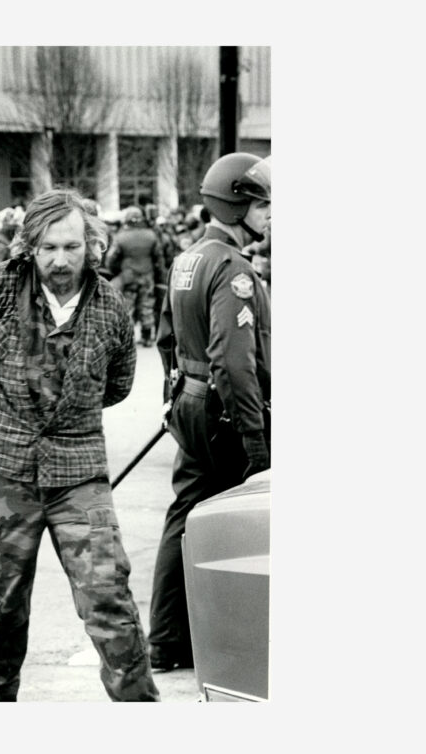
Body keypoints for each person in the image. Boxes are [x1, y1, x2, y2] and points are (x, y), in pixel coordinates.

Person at [0, 188, 160, 702]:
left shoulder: (111, 306)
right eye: (48, 248)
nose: (60, 259)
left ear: (91, 245)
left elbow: (119, 384)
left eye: (71, 246)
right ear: (29, 246)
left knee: (108, 597)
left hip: (78, 471)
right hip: (6, 471)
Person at [148, 153, 271, 671]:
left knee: (185, 518)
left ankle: (165, 640)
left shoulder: (187, 258)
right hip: (224, 411)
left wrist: (175, 398)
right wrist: (256, 441)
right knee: (238, 526)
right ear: (237, 202)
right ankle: (231, 648)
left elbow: (165, 339)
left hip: (193, 404)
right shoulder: (234, 269)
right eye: (263, 205)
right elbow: (235, 362)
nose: (270, 215)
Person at [106, 205, 166, 347]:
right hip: (147, 275)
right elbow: (159, 258)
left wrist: (116, 271)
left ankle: (128, 338)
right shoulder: (151, 235)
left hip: (128, 276)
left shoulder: (121, 236)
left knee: (128, 307)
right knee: (146, 306)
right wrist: (159, 275)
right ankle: (147, 337)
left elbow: (111, 259)